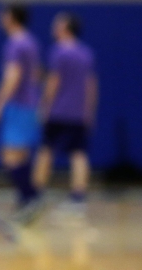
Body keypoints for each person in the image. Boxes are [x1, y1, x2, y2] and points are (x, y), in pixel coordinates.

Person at [33, 12, 98, 210]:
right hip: (78, 113)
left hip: (58, 112)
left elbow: (54, 81)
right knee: (78, 154)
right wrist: (89, 111)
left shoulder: (59, 52)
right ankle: (78, 198)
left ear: (65, 28)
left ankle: (36, 194)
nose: (53, 28)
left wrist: (43, 105)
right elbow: (91, 85)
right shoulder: (86, 53)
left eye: (57, 25)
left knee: (45, 151)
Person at [0, 4, 43, 220]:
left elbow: (13, 76)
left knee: (9, 157)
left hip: (18, 105)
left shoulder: (15, 44)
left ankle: (32, 197)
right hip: (30, 103)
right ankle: (26, 200)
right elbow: (37, 73)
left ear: (11, 17)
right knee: (22, 154)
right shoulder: (30, 41)